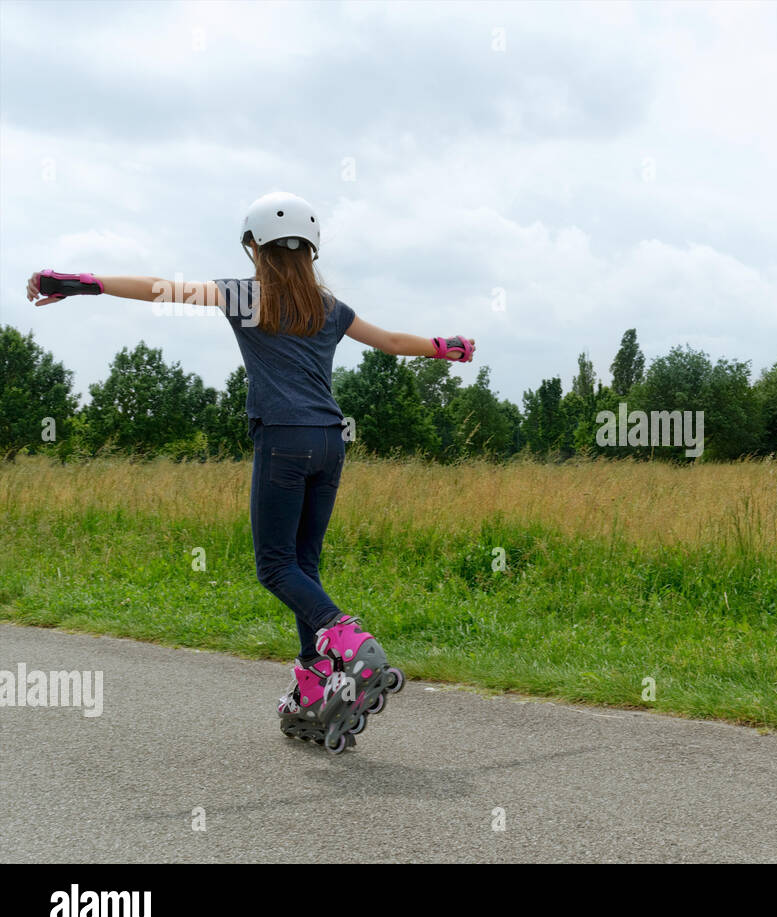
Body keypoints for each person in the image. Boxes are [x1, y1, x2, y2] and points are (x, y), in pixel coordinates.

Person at [26, 191, 475, 754]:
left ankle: (348, 639)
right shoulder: (330, 308)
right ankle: (314, 681)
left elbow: (157, 287)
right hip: (331, 443)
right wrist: (446, 347)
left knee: (274, 567)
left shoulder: (244, 296)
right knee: (302, 567)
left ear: (252, 248)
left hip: (284, 441)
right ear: (311, 251)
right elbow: (388, 342)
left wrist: (73, 282)